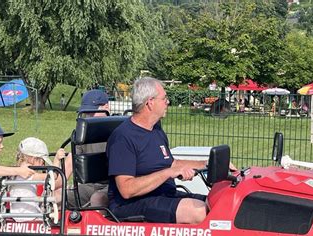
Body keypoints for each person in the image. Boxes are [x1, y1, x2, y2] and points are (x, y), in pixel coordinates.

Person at [106, 77, 208, 224]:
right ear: (150, 102)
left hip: (163, 195)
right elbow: (126, 189)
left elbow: (171, 163)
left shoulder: (156, 130)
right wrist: (167, 173)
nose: (168, 102)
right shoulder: (123, 137)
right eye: (164, 98)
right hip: (131, 204)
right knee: (198, 211)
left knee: (216, 203)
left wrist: (208, 164)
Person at [65, 90, 111, 207]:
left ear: (106, 107)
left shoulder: (119, 130)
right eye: (86, 113)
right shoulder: (83, 134)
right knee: (57, 197)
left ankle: (97, 224)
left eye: (92, 112)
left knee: (98, 199)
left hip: (113, 185)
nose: (89, 116)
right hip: (90, 185)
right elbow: (67, 168)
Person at [10, 137, 67, 220]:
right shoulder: (28, 174)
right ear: (33, 158)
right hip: (29, 216)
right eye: (42, 160)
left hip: (18, 215)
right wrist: (57, 160)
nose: (43, 165)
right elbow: (53, 176)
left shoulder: (15, 172)